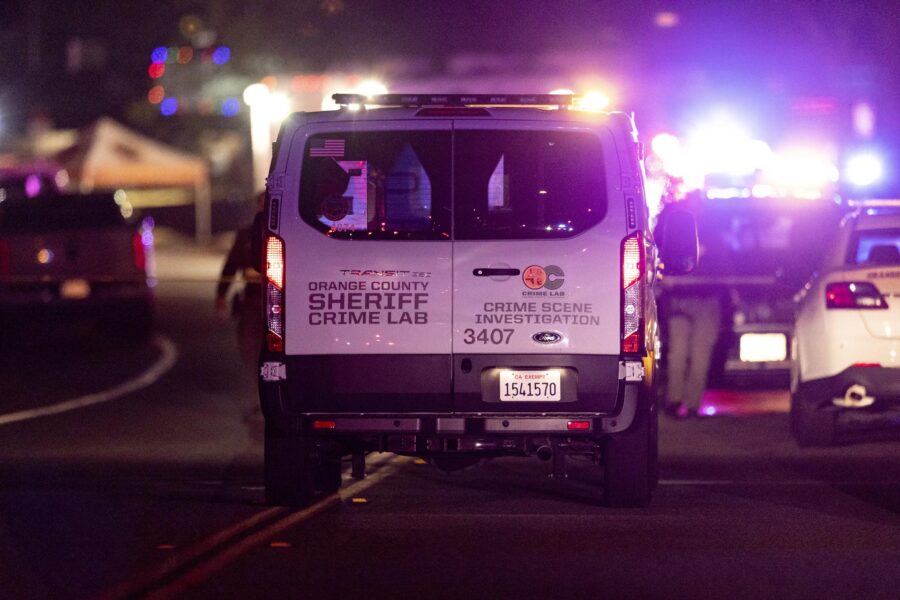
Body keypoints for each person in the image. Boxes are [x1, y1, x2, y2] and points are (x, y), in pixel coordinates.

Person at [656, 196, 733, 419]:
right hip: (694, 302)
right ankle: (686, 402)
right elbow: (725, 270)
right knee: (691, 355)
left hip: (693, 301)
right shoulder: (711, 236)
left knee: (686, 354)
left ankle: (680, 401)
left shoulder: (677, 233)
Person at [215, 192, 265, 370]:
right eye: (262, 204)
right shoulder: (246, 235)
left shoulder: (291, 234)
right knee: (250, 345)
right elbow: (231, 265)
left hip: (285, 302)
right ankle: (256, 380)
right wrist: (221, 294)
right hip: (253, 299)